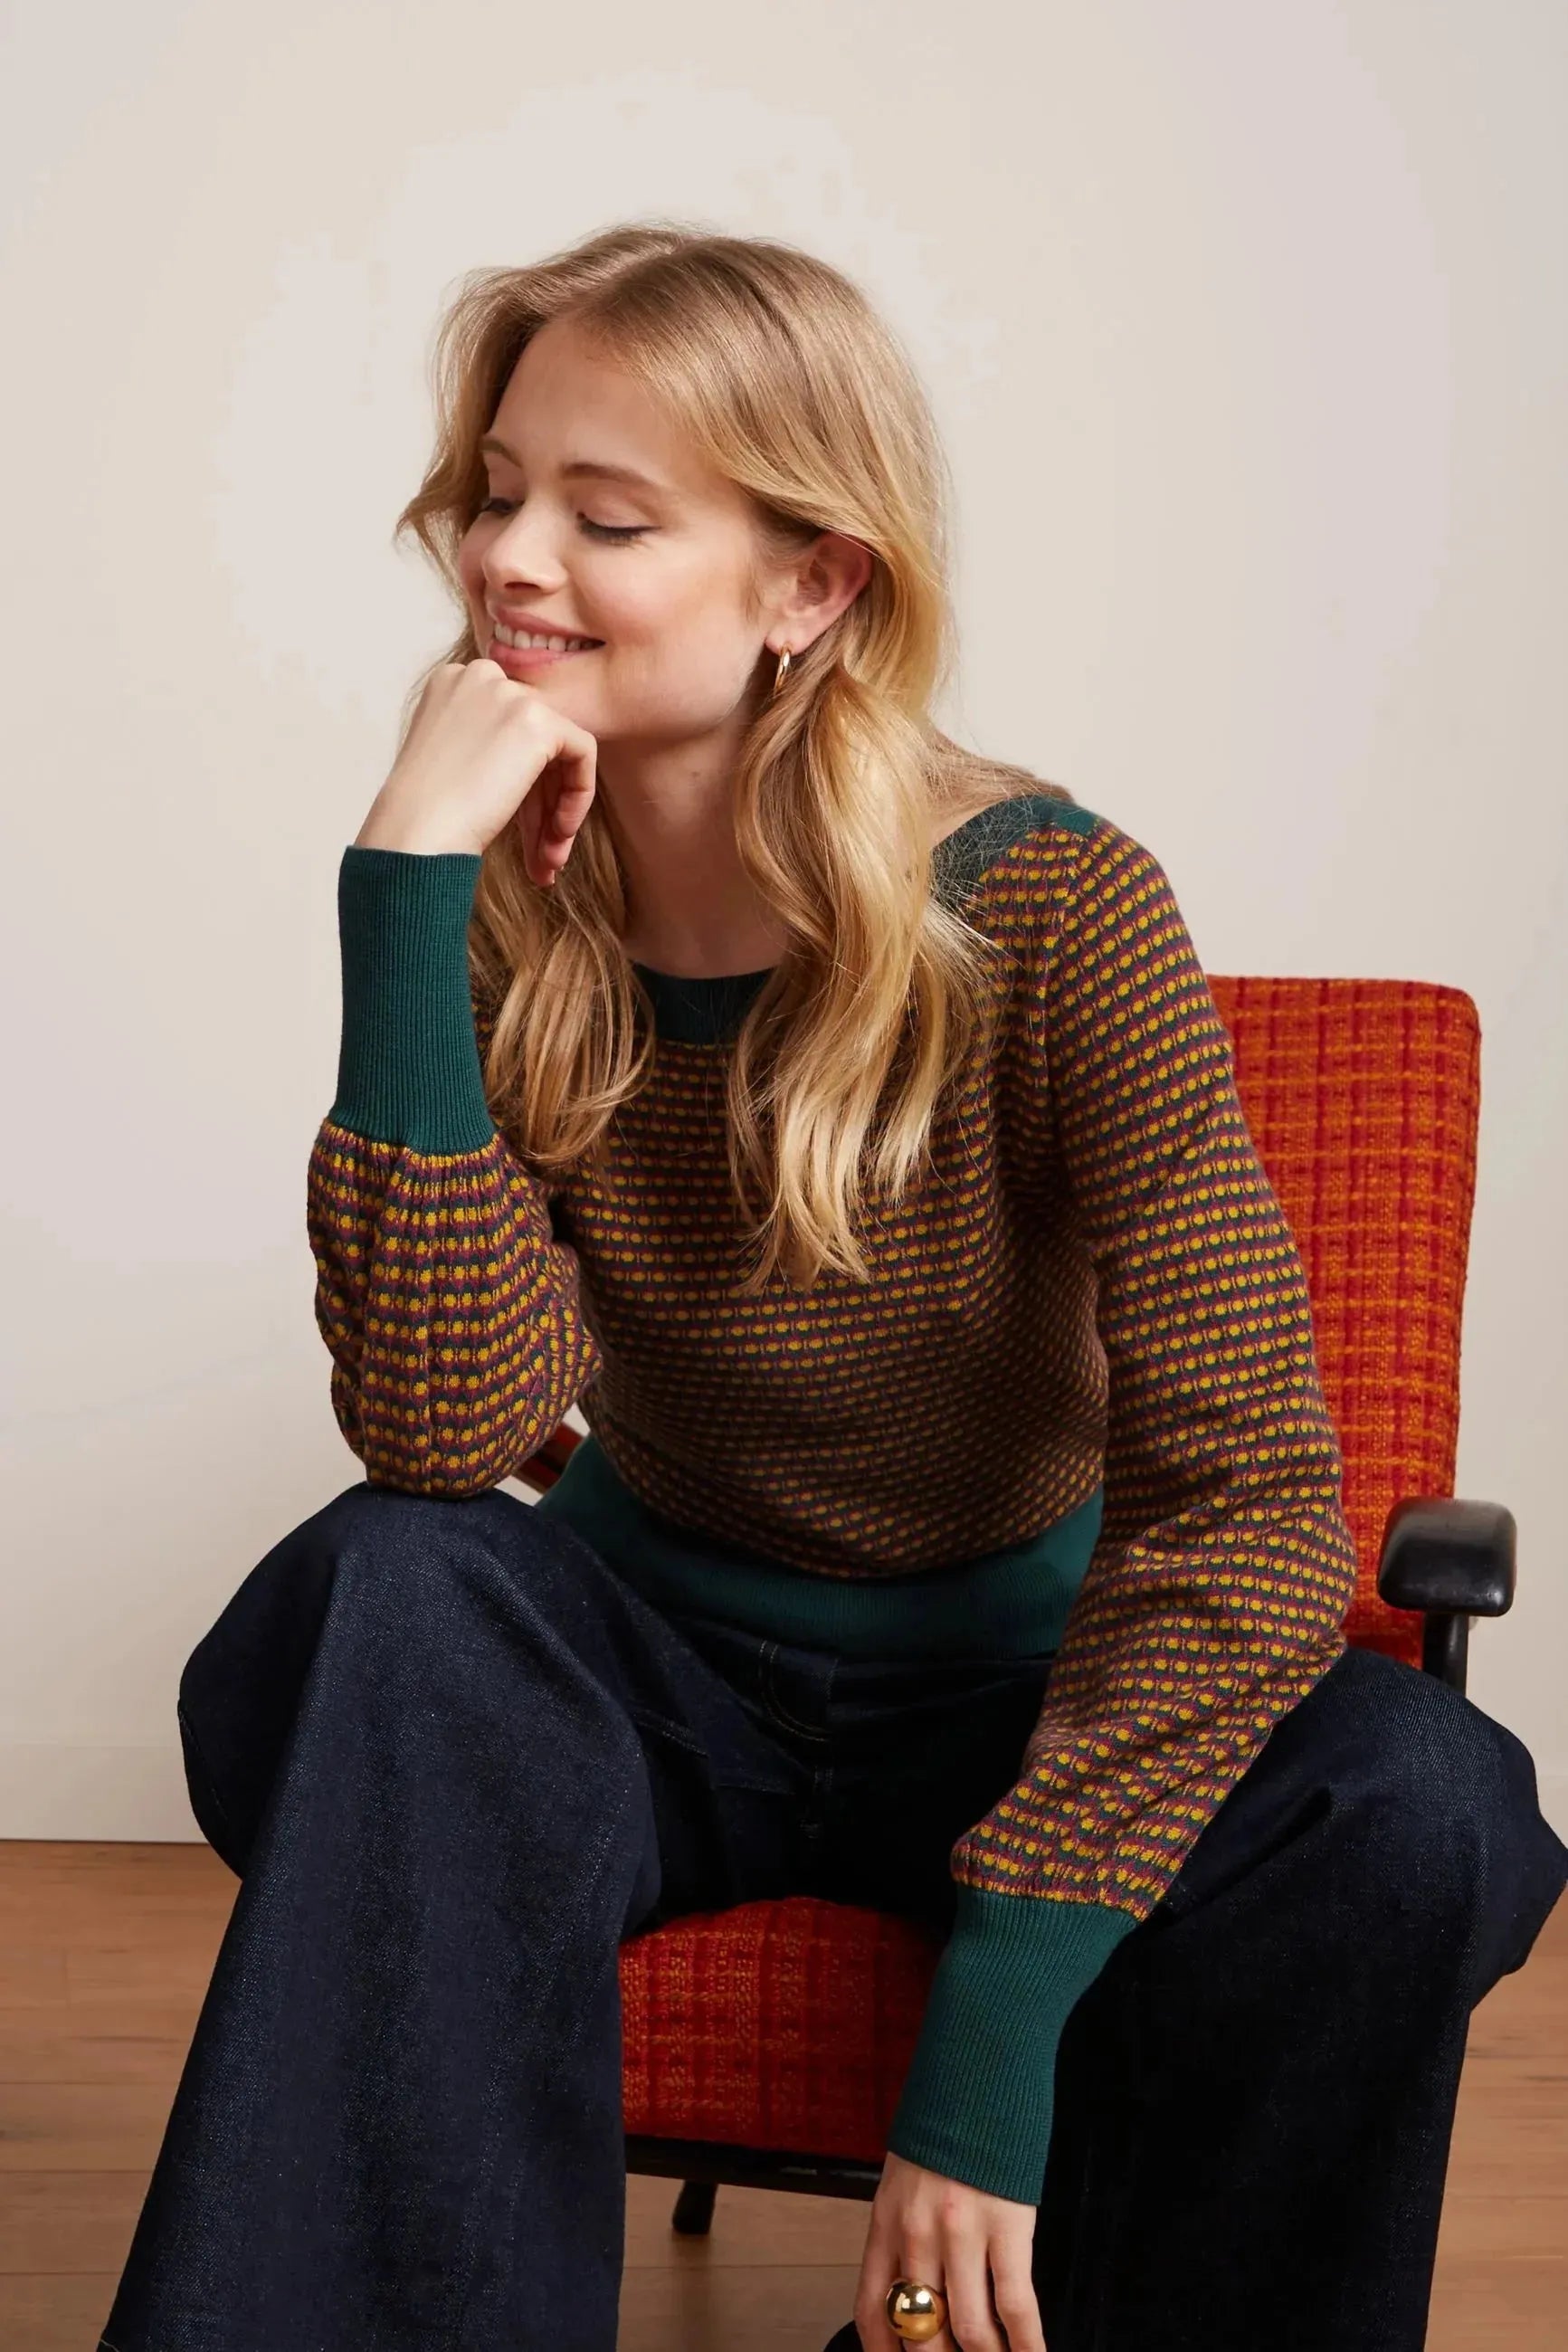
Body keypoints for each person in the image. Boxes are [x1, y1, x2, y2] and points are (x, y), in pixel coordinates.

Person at [99, 224, 1567, 2352]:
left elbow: (1255, 1504)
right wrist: (406, 886)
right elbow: (438, 1428)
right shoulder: (507, 893)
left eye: (607, 517)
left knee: (1420, 1803)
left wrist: (992, 2038)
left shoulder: (1060, 913)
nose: (510, 558)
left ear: (811, 584)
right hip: (656, 1667)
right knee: (383, 1588)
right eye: (497, 492)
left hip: (1010, 1684)